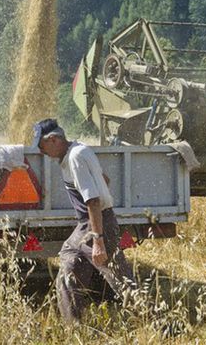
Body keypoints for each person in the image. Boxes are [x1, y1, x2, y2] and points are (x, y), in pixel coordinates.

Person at [32, 118, 136, 322]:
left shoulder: (74, 158)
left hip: (96, 222)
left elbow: (93, 200)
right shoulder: (79, 150)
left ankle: (157, 322)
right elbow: (104, 179)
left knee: (120, 279)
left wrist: (98, 240)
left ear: (53, 139)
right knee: (69, 262)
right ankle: (74, 327)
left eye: (41, 146)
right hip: (86, 225)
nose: (40, 151)